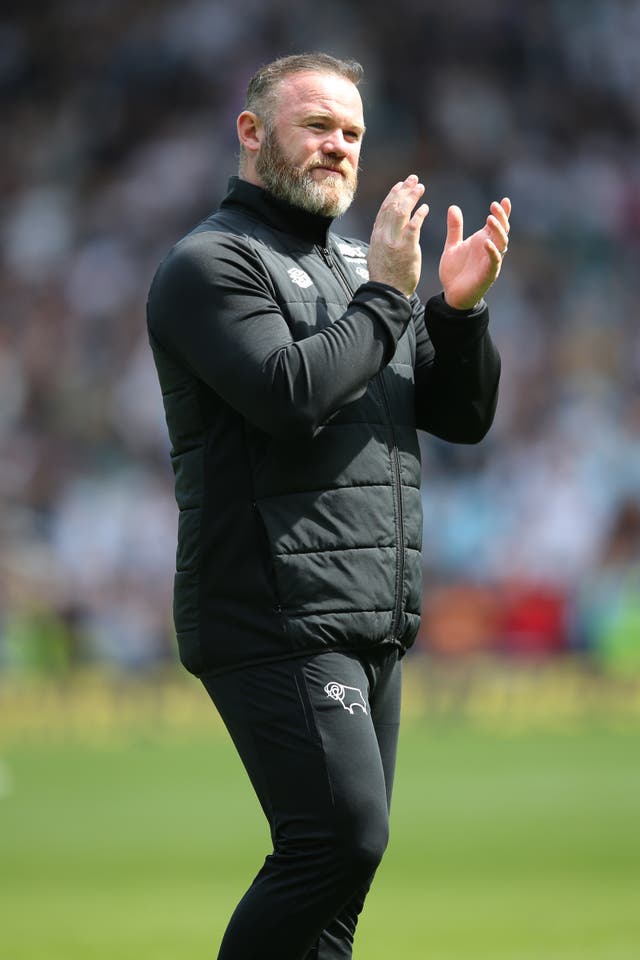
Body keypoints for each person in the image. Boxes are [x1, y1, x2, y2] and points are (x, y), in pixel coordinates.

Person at [147, 51, 510, 960]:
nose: (338, 147)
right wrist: (392, 293)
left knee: (337, 891)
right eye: (316, 126)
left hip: (367, 610)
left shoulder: (359, 265)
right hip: (271, 606)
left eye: (351, 132)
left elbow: (461, 417)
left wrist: (459, 316)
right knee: (337, 843)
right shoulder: (208, 264)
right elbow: (288, 396)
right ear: (252, 131)